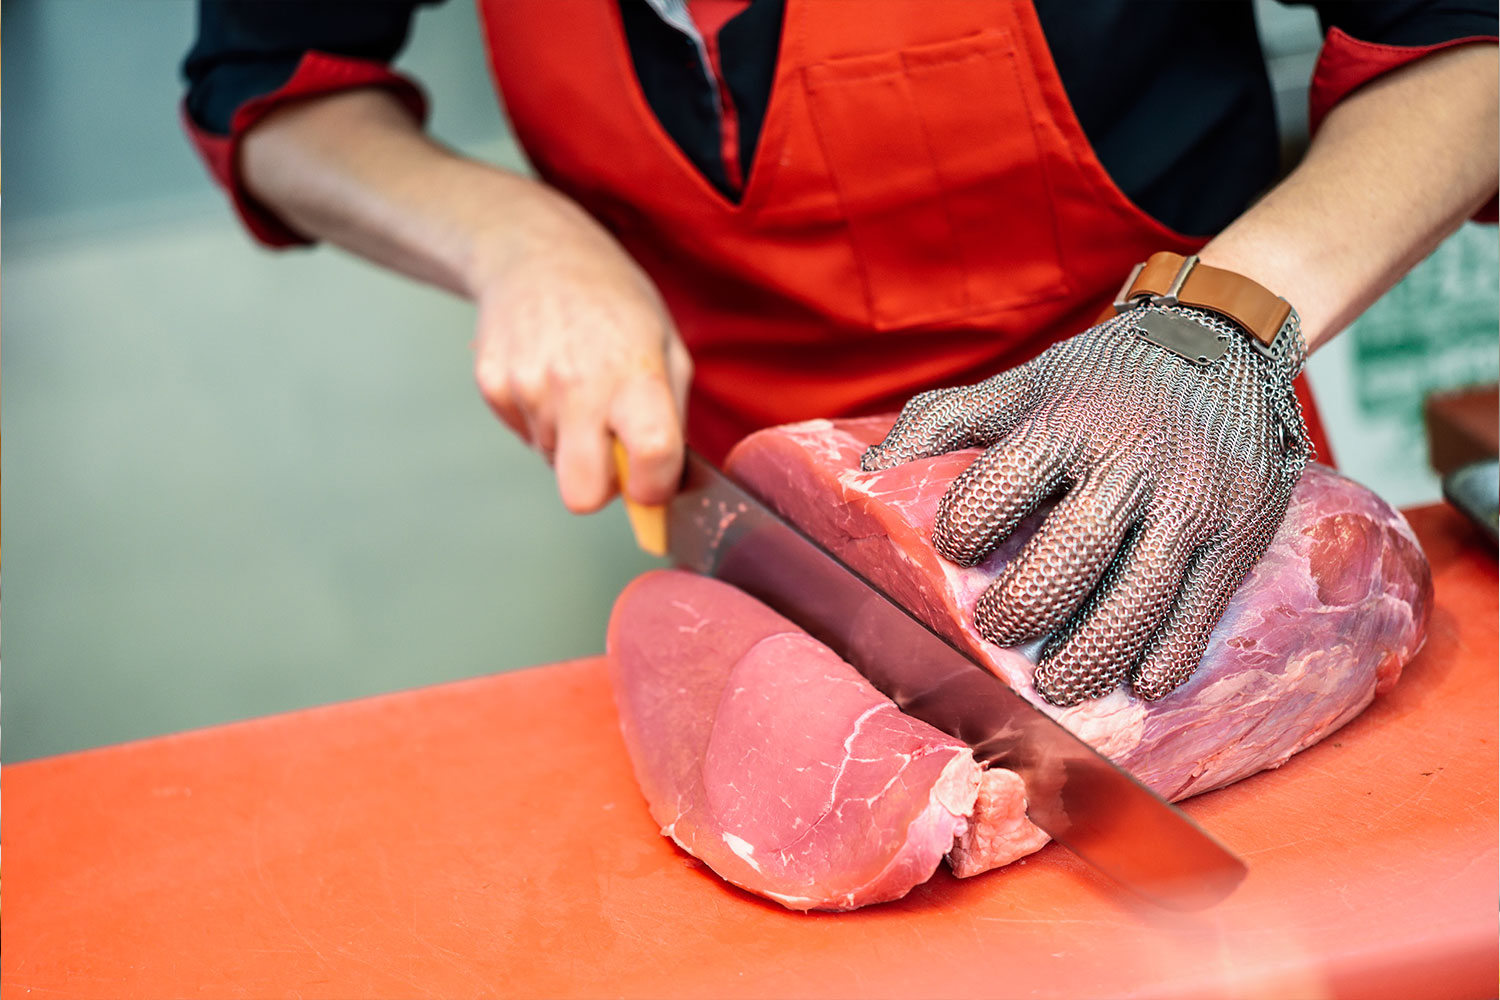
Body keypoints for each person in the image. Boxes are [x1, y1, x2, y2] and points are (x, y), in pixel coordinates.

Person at [181, 1, 1496, 704]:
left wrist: (1217, 328)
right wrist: (515, 240)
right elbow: (274, 87)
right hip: (765, 537)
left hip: (1171, 504)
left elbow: (1463, 43)